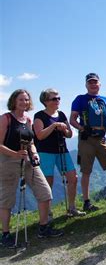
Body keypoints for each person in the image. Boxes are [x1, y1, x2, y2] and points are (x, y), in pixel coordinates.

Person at [1, 90, 63, 248]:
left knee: (45, 192)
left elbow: (31, 142)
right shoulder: (6, 118)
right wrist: (15, 153)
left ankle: (44, 227)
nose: (24, 102)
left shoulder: (27, 119)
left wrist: (34, 154)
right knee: (7, 199)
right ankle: (6, 234)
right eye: (21, 99)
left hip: (28, 160)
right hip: (8, 161)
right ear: (14, 101)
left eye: (27, 100)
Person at [70, 73, 106, 212]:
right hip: (86, 138)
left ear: (99, 84)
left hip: (101, 137)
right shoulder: (80, 99)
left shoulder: (104, 99)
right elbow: (72, 119)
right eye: (90, 82)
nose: (93, 84)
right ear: (86, 85)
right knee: (86, 170)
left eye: (95, 82)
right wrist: (82, 128)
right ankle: (86, 202)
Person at [33, 88, 85, 217]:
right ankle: (47, 212)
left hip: (62, 150)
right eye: (54, 99)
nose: (57, 101)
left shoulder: (61, 114)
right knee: (47, 182)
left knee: (73, 178)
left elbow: (69, 134)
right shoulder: (39, 116)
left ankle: (72, 207)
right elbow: (39, 135)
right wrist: (54, 126)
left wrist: (64, 130)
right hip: (45, 152)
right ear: (45, 101)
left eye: (58, 98)